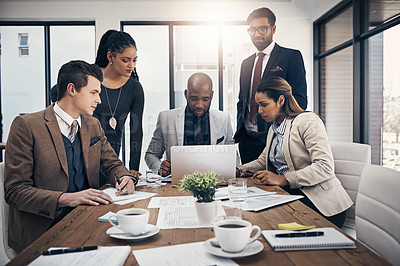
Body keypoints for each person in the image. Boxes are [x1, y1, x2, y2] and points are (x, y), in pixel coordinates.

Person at [4, 60, 137, 252]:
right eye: (94, 93)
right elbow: (15, 192)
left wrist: (124, 176)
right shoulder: (26, 126)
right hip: (44, 229)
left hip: (87, 218)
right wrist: (67, 198)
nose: (99, 100)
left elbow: (112, 162)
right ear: (72, 89)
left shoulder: (92, 125)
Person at [236, 77, 352, 227]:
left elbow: (325, 166)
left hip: (321, 205)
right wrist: (239, 170)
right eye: (258, 105)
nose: (259, 111)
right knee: (251, 213)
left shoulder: (307, 121)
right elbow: (262, 161)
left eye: (264, 105)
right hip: (291, 195)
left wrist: (283, 179)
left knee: (267, 222)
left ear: (281, 101)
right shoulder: (274, 128)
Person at [234, 7, 308, 164]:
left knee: (274, 186)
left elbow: (299, 100)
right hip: (247, 140)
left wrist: (283, 132)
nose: (257, 34)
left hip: (275, 137)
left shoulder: (290, 57)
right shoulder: (246, 64)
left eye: (262, 29)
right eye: (252, 30)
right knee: (248, 184)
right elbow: (243, 101)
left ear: (273, 29)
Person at [145, 72, 235, 177]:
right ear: (186, 94)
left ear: (212, 95)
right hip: (177, 184)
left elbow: (233, 158)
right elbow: (151, 155)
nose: (199, 105)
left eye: (205, 99)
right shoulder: (166, 118)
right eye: (194, 98)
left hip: (214, 183)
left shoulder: (223, 119)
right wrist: (160, 167)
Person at [93, 30, 144, 184]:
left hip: (112, 163)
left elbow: (136, 129)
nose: (131, 65)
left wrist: (133, 167)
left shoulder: (134, 88)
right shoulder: (90, 78)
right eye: (125, 60)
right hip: (85, 160)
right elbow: (58, 91)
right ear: (110, 57)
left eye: (135, 60)